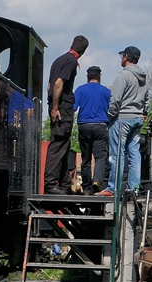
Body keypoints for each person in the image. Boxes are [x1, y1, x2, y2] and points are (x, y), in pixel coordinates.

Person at [45, 35, 88, 194]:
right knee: (58, 143)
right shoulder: (70, 61)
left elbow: (49, 85)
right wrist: (56, 107)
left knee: (64, 143)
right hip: (63, 106)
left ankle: (64, 184)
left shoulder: (58, 60)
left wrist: (51, 105)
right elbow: (57, 84)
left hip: (57, 104)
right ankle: (50, 184)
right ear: (83, 52)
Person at [103, 46, 148, 197]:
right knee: (134, 154)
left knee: (117, 154)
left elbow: (115, 99)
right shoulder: (143, 77)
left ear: (126, 57)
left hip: (122, 118)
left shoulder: (123, 76)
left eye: (122, 55)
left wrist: (110, 115)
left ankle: (112, 189)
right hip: (137, 118)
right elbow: (146, 99)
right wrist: (144, 112)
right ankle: (134, 188)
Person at [74, 67, 110, 194]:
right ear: (99, 75)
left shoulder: (80, 90)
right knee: (101, 156)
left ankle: (87, 187)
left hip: (84, 126)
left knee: (86, 158)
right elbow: (111, 109)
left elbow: (73, 107)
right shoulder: (106, 91)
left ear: (87, 76)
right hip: (101, 126)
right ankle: (97, 180)